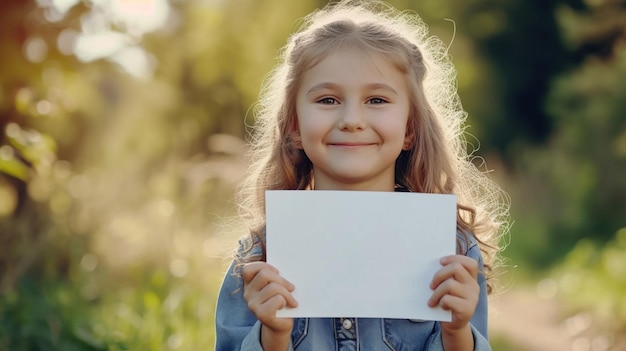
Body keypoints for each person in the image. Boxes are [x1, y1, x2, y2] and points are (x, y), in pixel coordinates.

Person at [215, 0, 509, 350]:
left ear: (410, 128)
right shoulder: (259, 257)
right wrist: (274, 335)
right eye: (327, 100)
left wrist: (457, 332)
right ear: (294, 126)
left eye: (377, 101)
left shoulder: (453, 249)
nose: (352, 119)